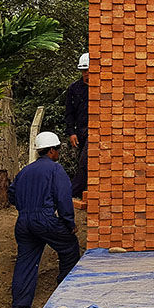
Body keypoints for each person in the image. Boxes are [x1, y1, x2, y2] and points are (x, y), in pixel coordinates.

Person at [7, 131, 81, 308]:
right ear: (50, 151)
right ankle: (65, 293)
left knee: (26, 262)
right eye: (57, 149)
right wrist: (69, 223)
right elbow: (64, 198)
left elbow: (11, 194)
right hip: (44, 219)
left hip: (23, 222)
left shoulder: (24, 171)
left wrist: (26, 208)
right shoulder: (56, 170)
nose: (58, 153)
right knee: (70, 247)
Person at [64, 52, 90, 200]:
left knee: (84, 161)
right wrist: (71, 132)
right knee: (84, 161)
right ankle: (83, 193)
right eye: (84, 71)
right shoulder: (74, 88)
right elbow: (69, 112)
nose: (86, 74)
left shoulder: (104, 86)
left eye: (89, 70)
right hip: (81, 131)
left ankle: (72, 192)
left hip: (96, 132)